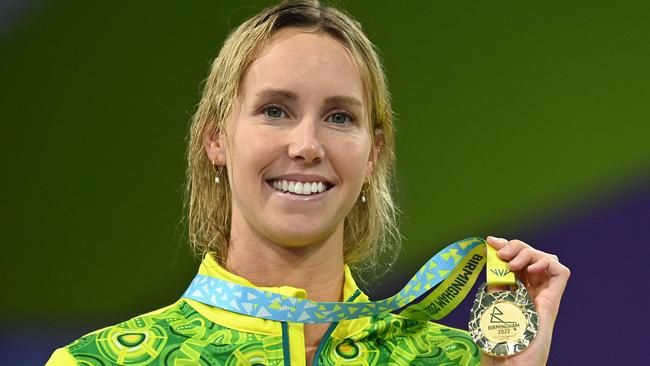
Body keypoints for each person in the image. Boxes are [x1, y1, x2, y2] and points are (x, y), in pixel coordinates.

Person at [46, 1, 570, 365]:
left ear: (373, 155)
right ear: (216, 139)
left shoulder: (460, 362)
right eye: (275, 110)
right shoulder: (98, 362)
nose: (306, 145)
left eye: (340, 117)